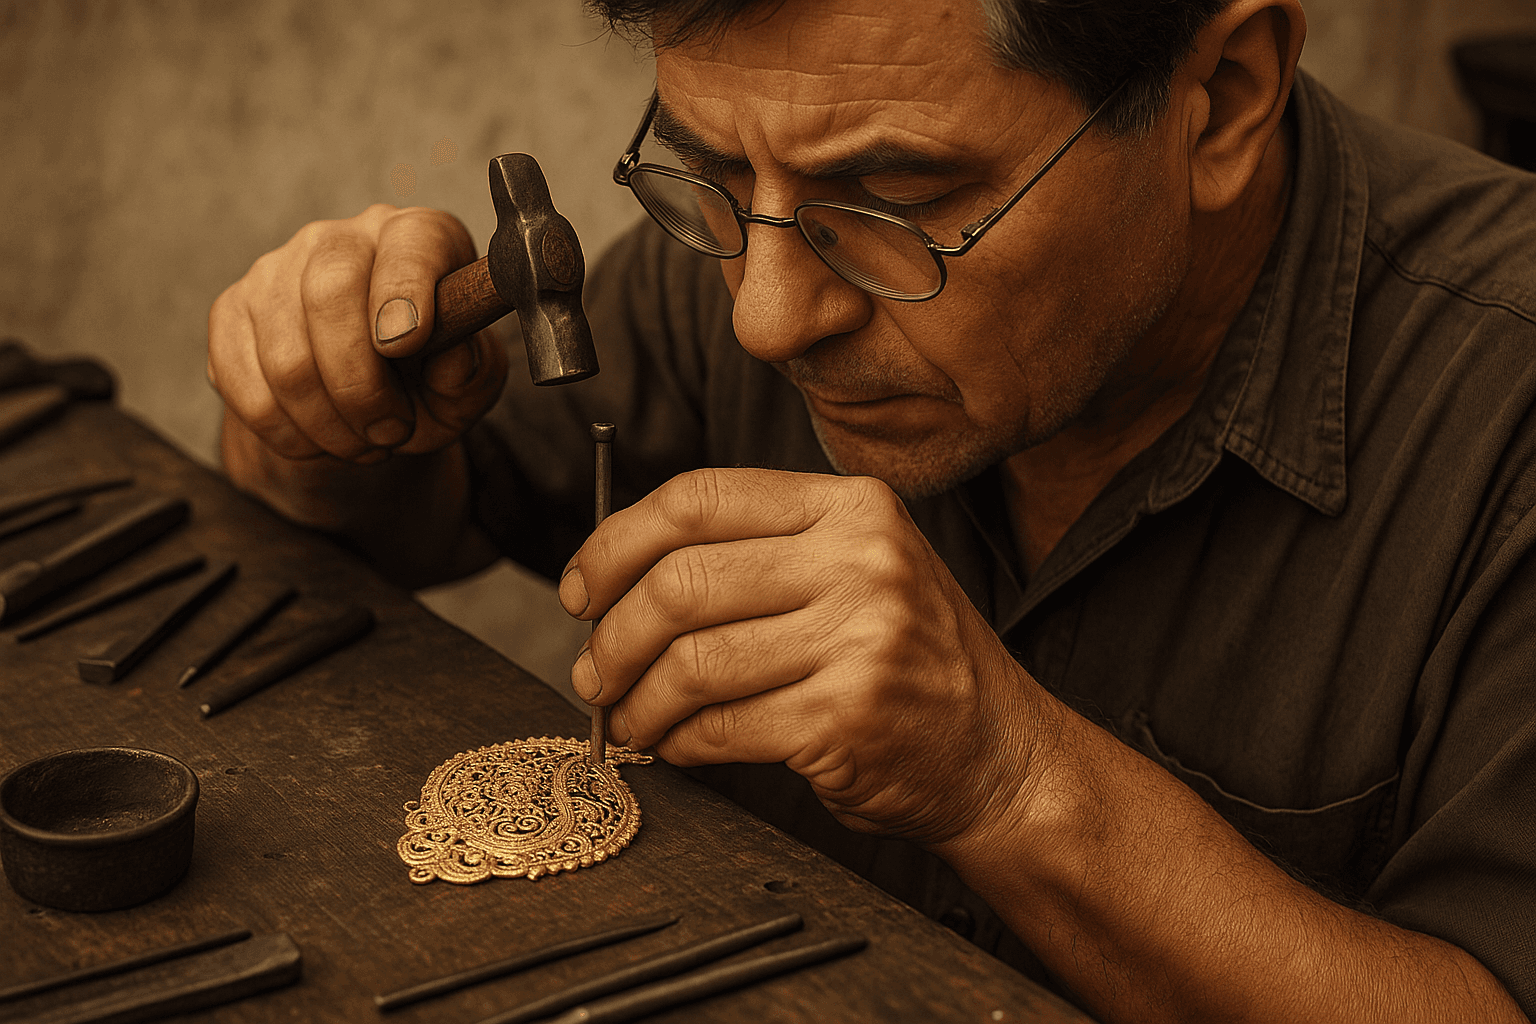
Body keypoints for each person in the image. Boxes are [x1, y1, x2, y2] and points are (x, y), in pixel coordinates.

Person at [207, 0, 1536, 1019]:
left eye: (895, 201)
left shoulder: (1501, 411)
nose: (769, 314)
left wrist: (1009, 779)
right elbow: (425, 515)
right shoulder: (758, 234)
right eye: (712, 172)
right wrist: (322, 414)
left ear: (1225, 100)